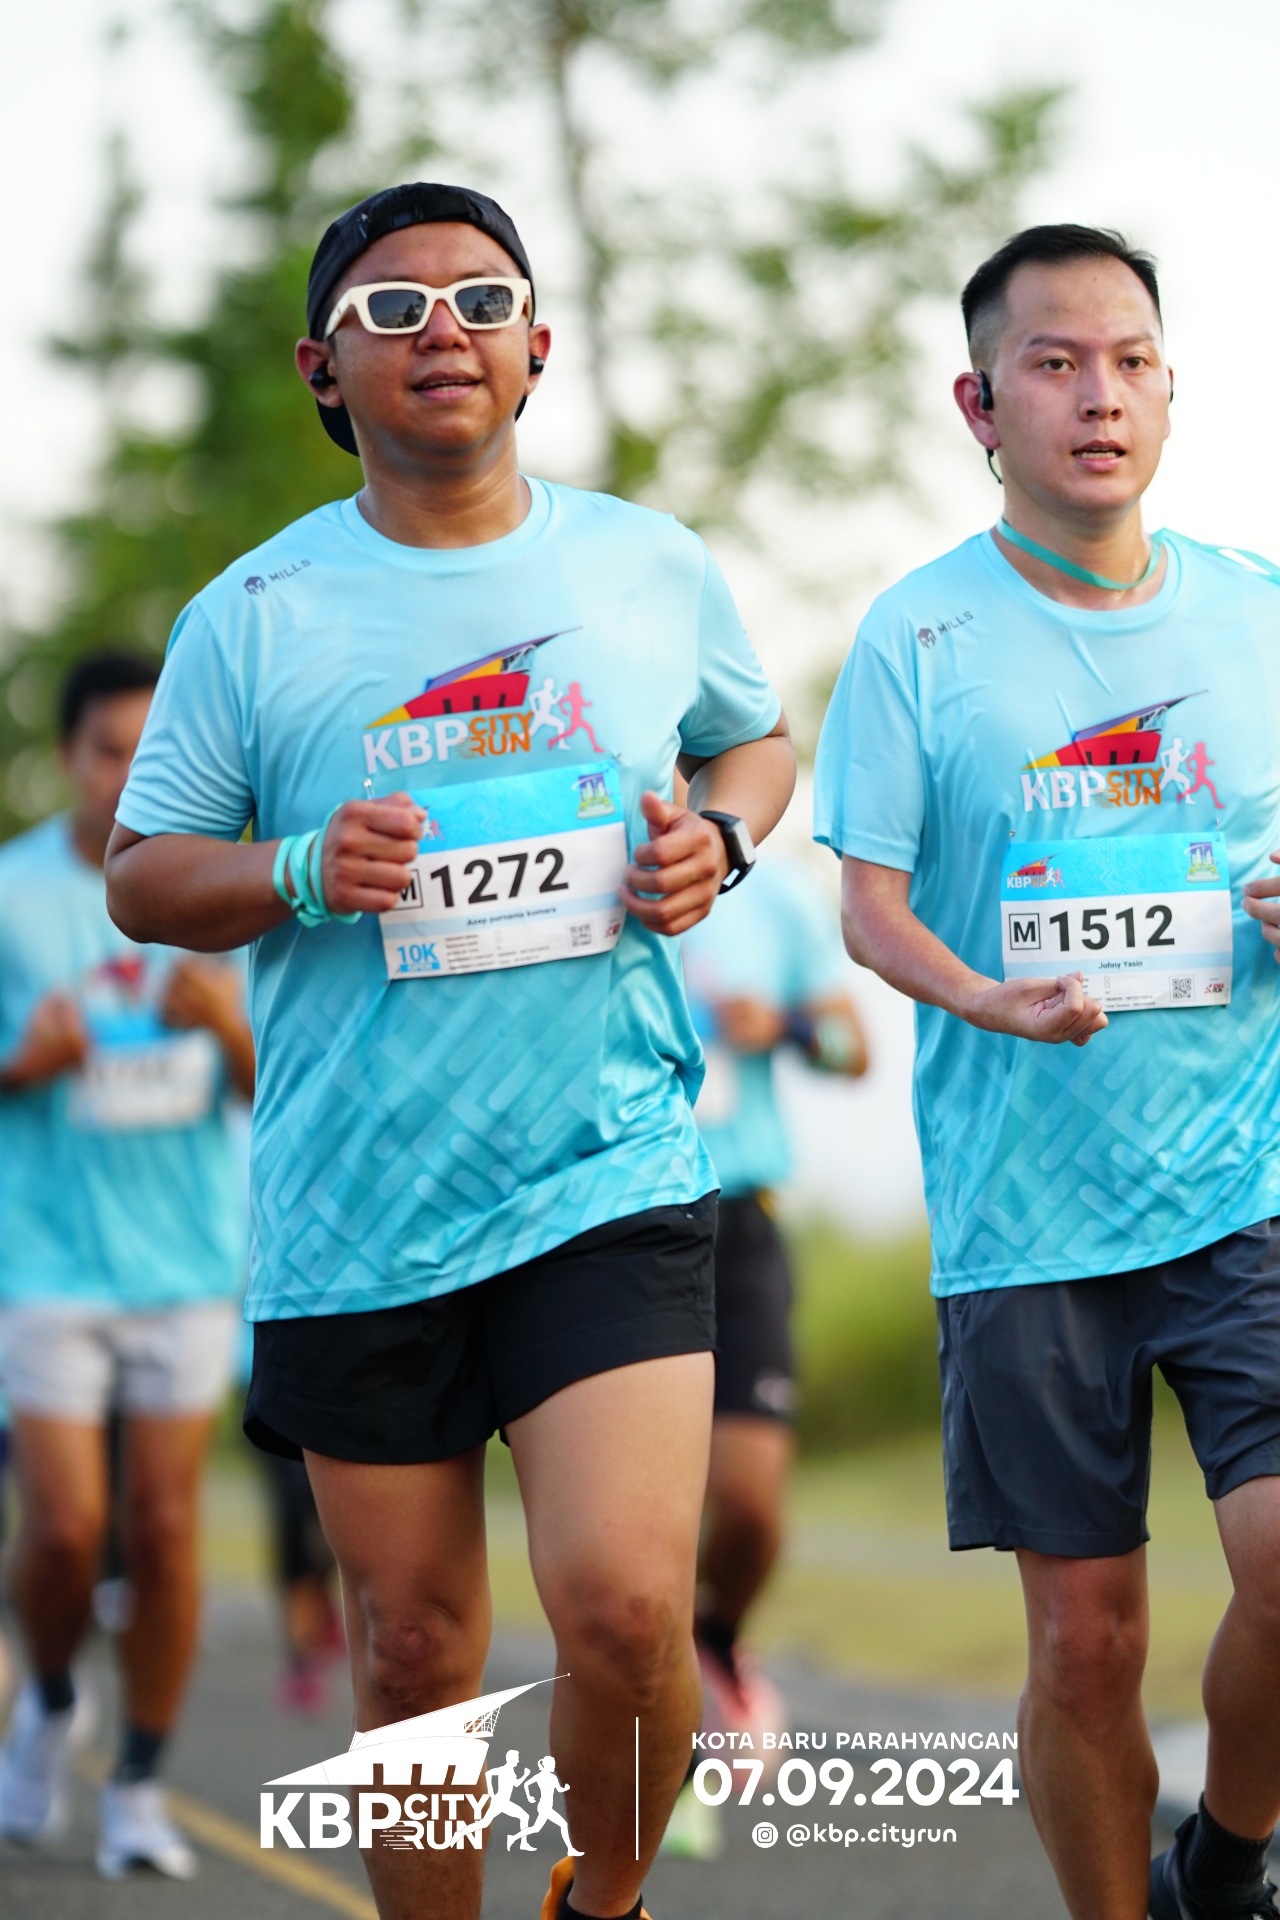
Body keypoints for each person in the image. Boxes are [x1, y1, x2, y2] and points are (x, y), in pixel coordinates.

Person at [104, 181, 794, 1920]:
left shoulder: (646, 564)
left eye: (482, 301)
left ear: (537, 347)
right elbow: (143, 874)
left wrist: (720, 839)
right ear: (322, 368)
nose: (444, 332)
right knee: (415, 1651)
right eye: (392, 309)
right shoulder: (254, 612)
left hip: (604, 1168)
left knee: (626, 1610)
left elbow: (756, 742)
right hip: (360, 1203)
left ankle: (601, 1898)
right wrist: (294, 867)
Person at [813, 223, 1280, 1920]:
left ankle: (1226, 1856)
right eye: (1056, 362)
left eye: (1131, 361)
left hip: (1248, 1182)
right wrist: (987, 1002)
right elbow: (868, 908)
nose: (1101, 396)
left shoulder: (1259, 611)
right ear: (980, 404)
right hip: (1029, 1220)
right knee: (1088, 1644)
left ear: (1169, 389)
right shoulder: (918, 637)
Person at [0, 651, 255, 1878]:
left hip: (187, 1265)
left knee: (161, 1527)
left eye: (152, 750)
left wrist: (232, 1030)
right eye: (109, 750)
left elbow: (278, 1087)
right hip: (47, 1265)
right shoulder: (13, 895)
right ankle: (50, 1701)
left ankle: (139, 1786)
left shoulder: (224, 887)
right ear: (69, 757)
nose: (129, 773)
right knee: (64, 1532)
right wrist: (26, 1064)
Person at [680, 861, 865, 1734]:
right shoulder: (580, 878)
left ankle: (715, 1638)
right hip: (613, 1226)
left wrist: (783, 1026)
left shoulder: (772, 899)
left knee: (751, 1504)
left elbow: (851, 1049)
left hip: (740, 1219)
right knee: (648, 1515)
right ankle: (659, 1704)